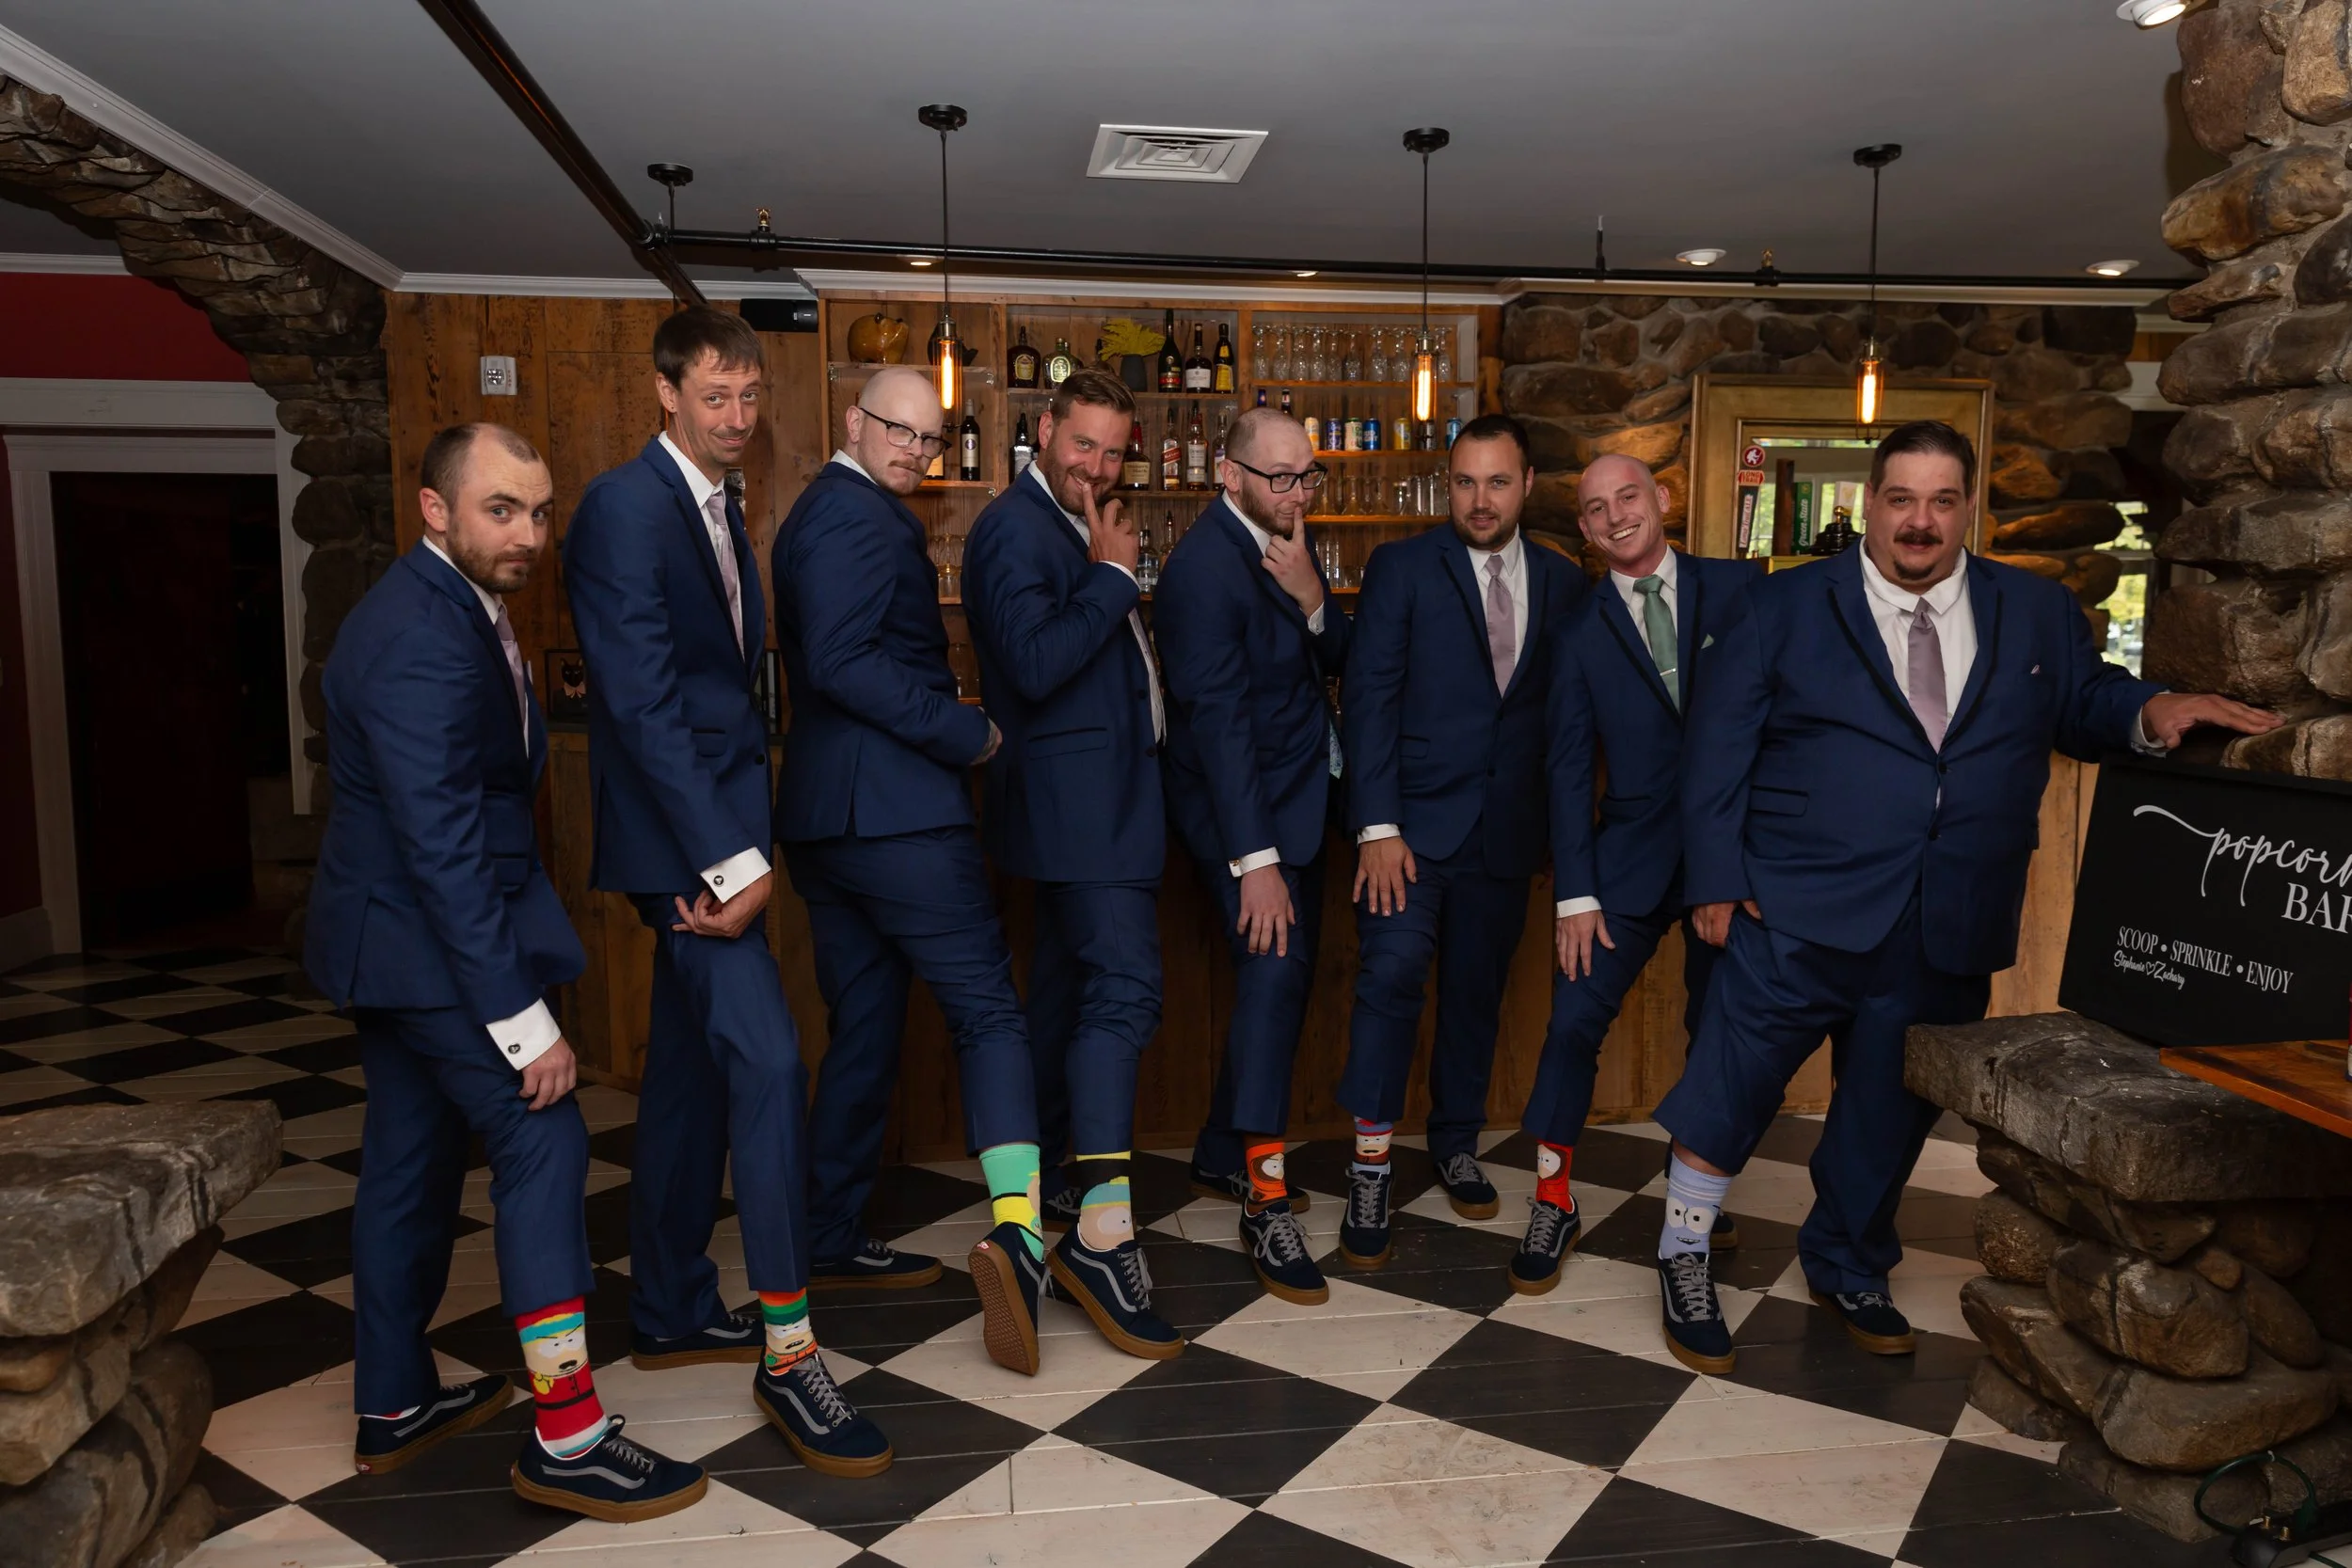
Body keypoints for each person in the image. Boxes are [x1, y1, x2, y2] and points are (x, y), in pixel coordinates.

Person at [1656, 420, 2281, 1375]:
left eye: (1942, 501)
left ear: (1968, 509)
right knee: (1729, 1085)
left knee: (1887, 1107)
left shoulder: (2033, 610)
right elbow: (1714, 748)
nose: (1921, 520)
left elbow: (2084, 701)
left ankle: (1847, 1261)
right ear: (1872, 503)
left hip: (1948, 911)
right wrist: (1714, 878)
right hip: (1792, 901)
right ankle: (1684, 1250)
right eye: (1902, 499)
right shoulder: (1779, 606)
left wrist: (2150, 710)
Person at [309, 422, 704, 1521]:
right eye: (501, 509)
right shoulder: (420, 634)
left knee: (411, 1157)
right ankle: (568, 1433)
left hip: (398, 943)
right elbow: (441, 849)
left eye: (538, 512)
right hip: (425, 945)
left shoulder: (451, 605)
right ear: (434, 508)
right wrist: (525, 1022)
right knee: (544, 1137)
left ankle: (393, 1400)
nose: (528, 534)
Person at [564, 308, 888, 1476]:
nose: (738, 417)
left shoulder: (716, 502)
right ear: (665, 392)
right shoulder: (624, 506)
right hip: (689, 858)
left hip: (718, 835)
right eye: (715, 396)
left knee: (692, 1076)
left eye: (750, 396)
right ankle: (790, 1351)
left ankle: (667, 1303)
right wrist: (734, 863)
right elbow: (643, 705)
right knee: (769, 1062)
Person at [773, 365, 1048, 1376]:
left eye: (930, 440)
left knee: (867, 1024)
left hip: (830, 822)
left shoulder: (822, 512)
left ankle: (827, 1234)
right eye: (900, 430)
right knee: (989, 1013)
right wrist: (966, 730)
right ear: (853, 420)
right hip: (893, 816)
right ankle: (1020, 1239)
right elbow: (844, 662)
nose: (916, 451)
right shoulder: (853, 515)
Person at [961, 368, 1181, 1359]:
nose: (1097, 464)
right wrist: (1114, 578)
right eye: (1082, 442)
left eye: (1113, 450)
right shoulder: (1016, 528)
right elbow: (1036, 663)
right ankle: (1102, 1231)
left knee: (1064, 994)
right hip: (1080, 813)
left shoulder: (1071, 525)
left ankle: (1049, 1198)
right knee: (1125, 991)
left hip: (1096, 808)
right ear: (1043, 429)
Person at [1332, 415, 1583, 1269]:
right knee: (1391, 978)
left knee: (1478, 994)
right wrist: (1376, 826)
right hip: (1407, 833)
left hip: (1508, 835)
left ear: (1528, 484)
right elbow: (1368, 697)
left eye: (1498, 482)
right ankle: (1370, 1165)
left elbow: (1561, 720)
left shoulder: (1564, 581)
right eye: (1466, 482)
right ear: (1448, 484)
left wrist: (1557, 832)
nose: (1481, 499)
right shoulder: (1402, 567)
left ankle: (1455, 1142)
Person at [1510, 455, 1759, 1295]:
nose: (1616, 515)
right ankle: (1552, 1199)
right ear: (1584, 530)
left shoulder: (1743, 591)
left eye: (1628, 496)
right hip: (1626, 860)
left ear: (1662, 499)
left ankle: (1699, 1199)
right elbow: (1566, 768)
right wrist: (1576, 894)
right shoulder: (1577, 632)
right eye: (1595, 508)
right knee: (1573, 1020)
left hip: (1732, 860)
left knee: (1718, 1029)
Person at [1155, 406, 1350, 1306]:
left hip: (1302, 803)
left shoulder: (1287, 541)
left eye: (1308, 474)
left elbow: (1335, 656)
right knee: (1273, 981)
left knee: (1286, 982)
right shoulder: (1201, 570)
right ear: (1228, 476)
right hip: (1246, 821)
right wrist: (1256, 860)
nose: (1299, 491)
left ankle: (1218, 1151)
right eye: (1281, 476)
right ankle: (1264, 1201)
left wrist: (1314, 600)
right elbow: (1220, 724)